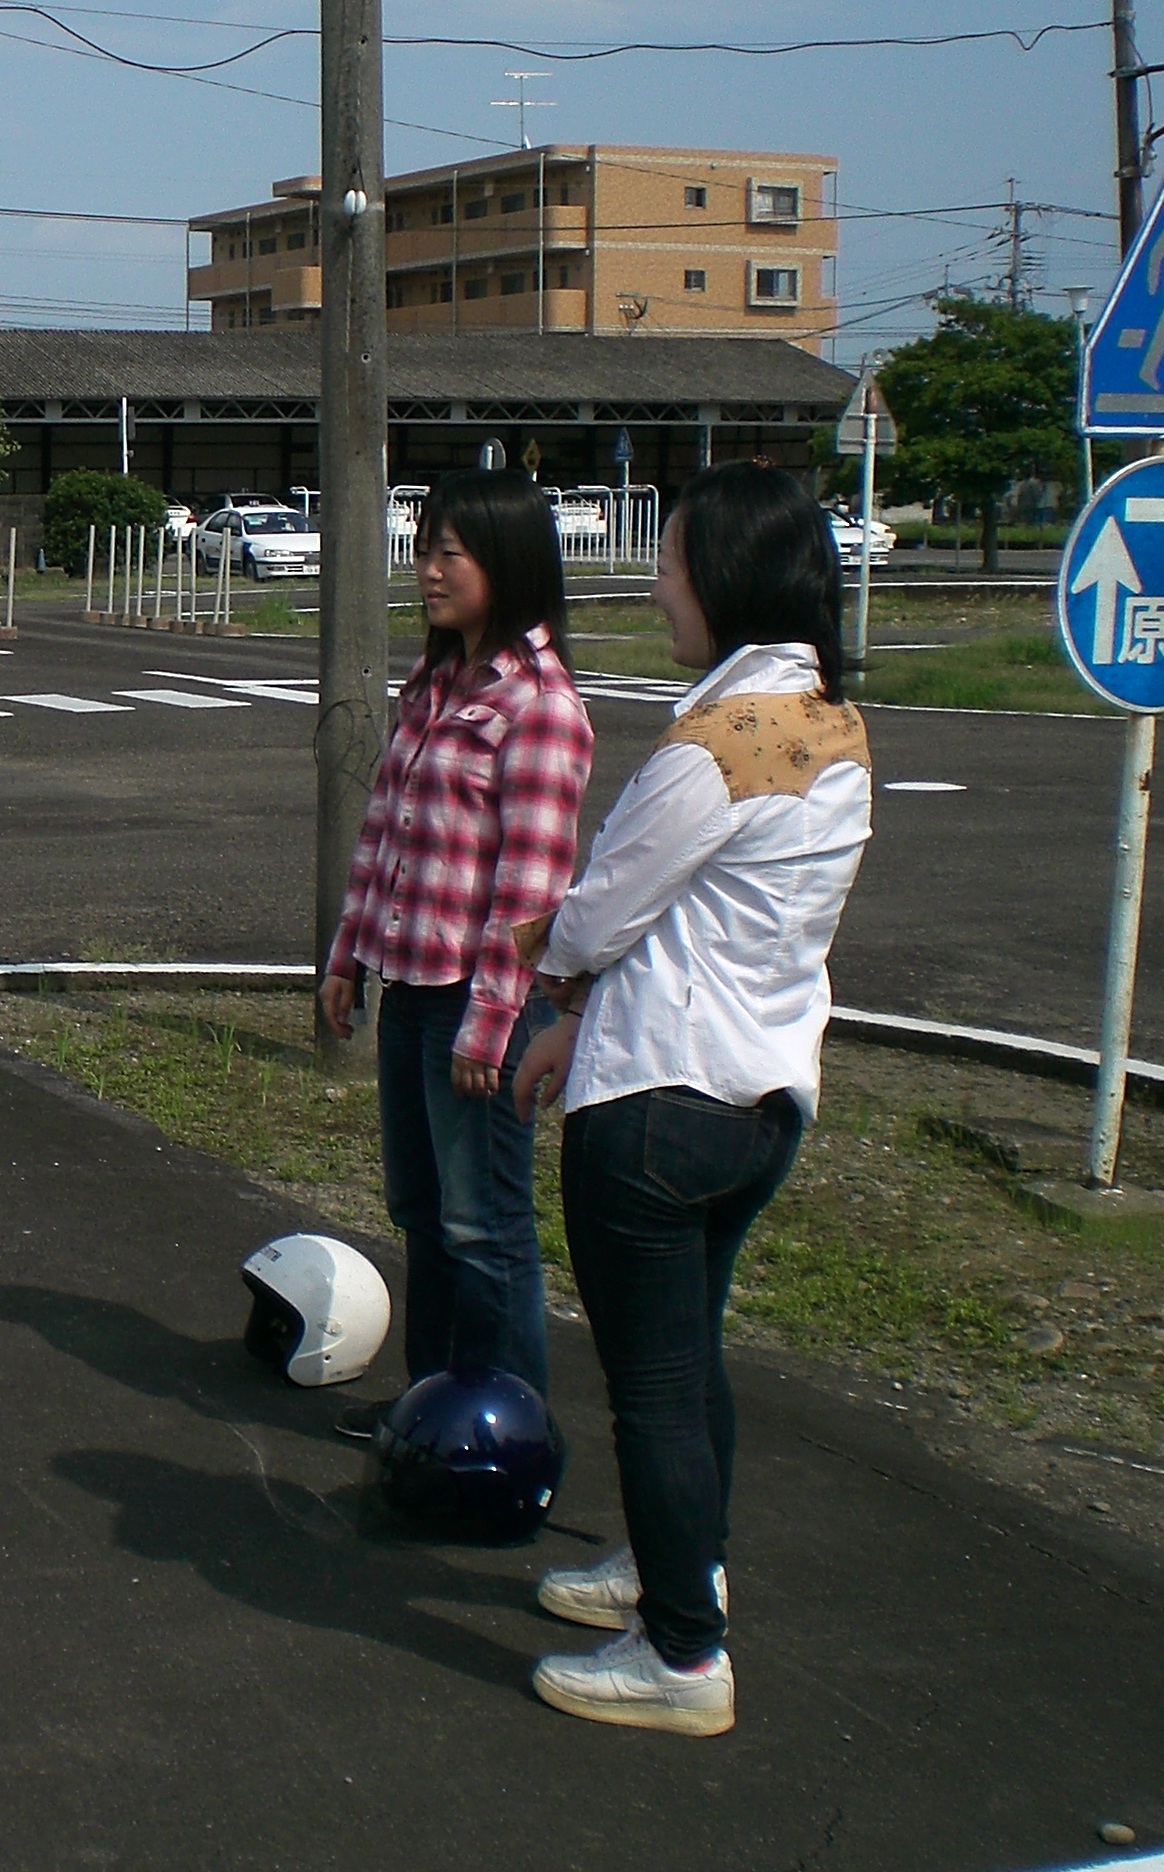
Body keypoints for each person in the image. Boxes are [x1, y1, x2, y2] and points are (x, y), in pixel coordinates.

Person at [512, 463, 873, 1736]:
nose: (657, 589)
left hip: (656, 1100)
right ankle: (677, 1570)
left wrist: (546, 970)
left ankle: (681, 1658)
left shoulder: (715, 746)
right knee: (686, 1358)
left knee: (652, 1386)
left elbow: (598, 912)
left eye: (667, 565)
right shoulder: (830, 724)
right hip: (760, 1093)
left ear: (723, 577)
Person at [318, 471, 593, 1437]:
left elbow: (532, 891)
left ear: (506, 564)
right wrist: (347, 956)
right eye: (423, 548)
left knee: (487, 1227)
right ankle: (432, 1411)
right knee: (423, 1212)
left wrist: (490, 1024)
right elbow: (382, 835)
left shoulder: (540, 705)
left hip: (484, 1006)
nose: (428, 571)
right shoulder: (435, 685)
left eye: (451, 553)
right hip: (413, 987)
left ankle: (510, 1431)